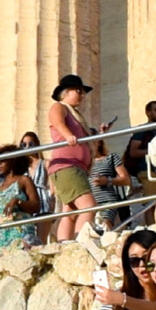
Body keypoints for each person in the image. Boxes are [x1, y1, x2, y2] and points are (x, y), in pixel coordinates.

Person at [45, 75, 99, 242]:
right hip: (67, 166)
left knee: (70, 211)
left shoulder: (76, 114)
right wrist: (69, 136)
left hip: (75, 167)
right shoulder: (59, 107)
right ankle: (81, 243)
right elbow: (57, 122)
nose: (82, 95)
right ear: (66, 92)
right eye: (79, 91)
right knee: (88, 206)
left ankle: (65, 244)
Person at [0, 145, 43, 249]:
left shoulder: (24, 180)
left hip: (21, 235)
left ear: (13, 161)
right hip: (2, 240)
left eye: (2, 160)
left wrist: (18, 202)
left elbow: (36, 206)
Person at [91, 134, 150, 231]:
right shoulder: (83, 163)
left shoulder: (110, 157)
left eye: (93, 140)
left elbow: (126, 180)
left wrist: (107, 180)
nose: (91, 144)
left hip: (107, 203)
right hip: (90, 204)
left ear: (99, 142)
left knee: (105, 230)